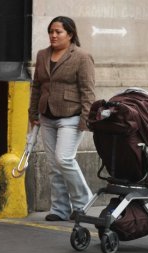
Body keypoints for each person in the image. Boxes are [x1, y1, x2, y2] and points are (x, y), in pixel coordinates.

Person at [28, 16, 95, 221]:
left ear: (70, 34)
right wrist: (33, 113)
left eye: (58, 32)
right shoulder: (42, 55)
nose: (53, 35)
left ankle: (83, 203)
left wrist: (86, 119)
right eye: (51, 32)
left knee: (64, 159)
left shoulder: (82, 57)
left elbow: (88, 91)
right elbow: (37, 86)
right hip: (46, 116)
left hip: (71, 117)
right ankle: (60, 209)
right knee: (53, 165)